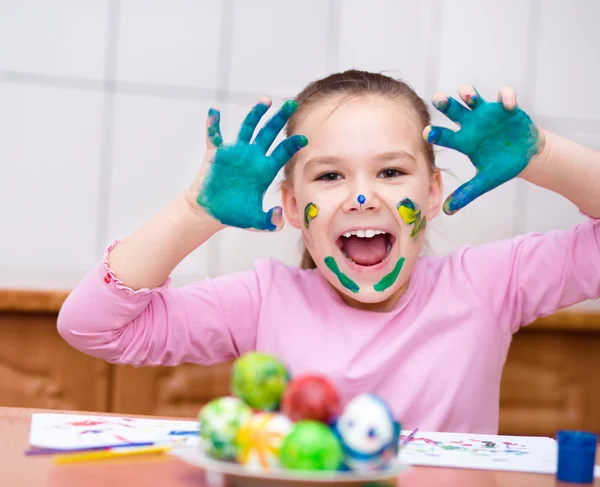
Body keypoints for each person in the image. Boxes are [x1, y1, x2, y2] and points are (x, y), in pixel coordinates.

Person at [57, 70, 600, 433]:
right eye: (331, 175)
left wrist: (542, 156)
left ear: (431, 193)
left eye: (391, 171)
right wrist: (195, 214)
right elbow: (94, 328)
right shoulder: (265, 298)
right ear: (293, 208)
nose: (362, 197)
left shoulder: (486, 285)